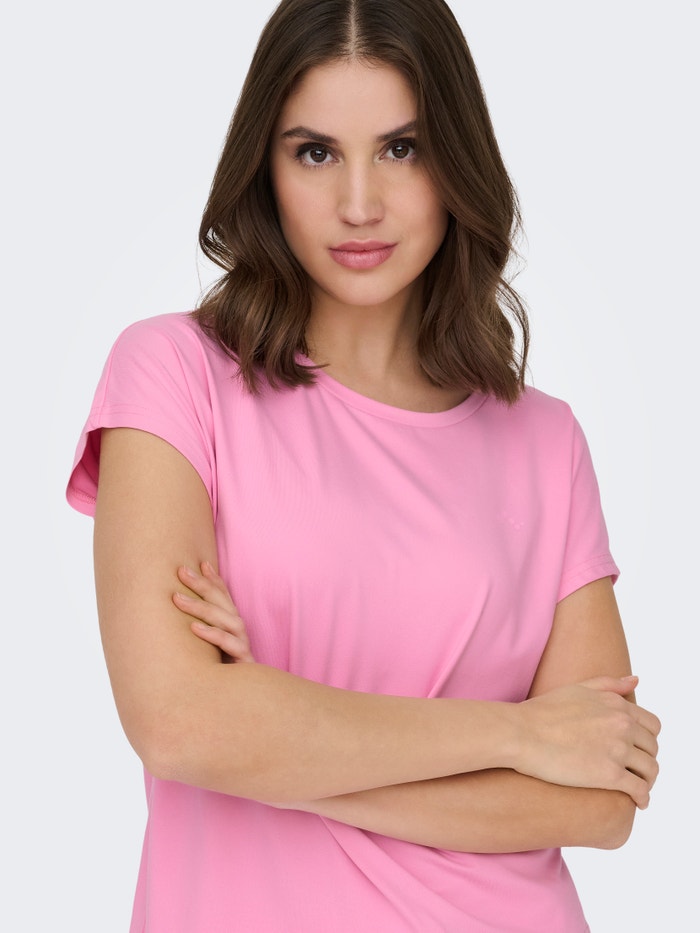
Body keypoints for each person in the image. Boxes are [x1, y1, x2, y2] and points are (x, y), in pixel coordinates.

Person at [66, 0, 660, 930]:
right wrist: (518, 734)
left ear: (457, 160)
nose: (358, 204)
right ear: (264, 166)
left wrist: (274, 743)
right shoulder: (175, 376)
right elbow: (179, 724)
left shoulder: (545, 441)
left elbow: (600, 798)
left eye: (401, 149)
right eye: (315, 152)